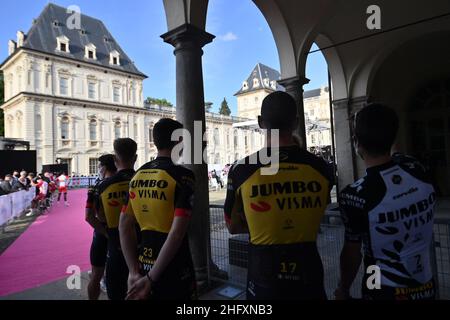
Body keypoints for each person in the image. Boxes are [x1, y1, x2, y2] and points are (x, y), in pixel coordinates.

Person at [224, 91, 333, 300]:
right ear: (296, 123)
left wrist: (262, 223)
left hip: (263, 277)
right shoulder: (321, 167)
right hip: (309, 273)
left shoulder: (242, 170)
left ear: (260, 123)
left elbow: (232, 226)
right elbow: (319, 210)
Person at [335, 103, 436, 300]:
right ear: (393, 138)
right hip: (425, 286)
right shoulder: (416, 169)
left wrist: (343, 288)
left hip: (381, 289)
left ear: (356, 142)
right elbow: (397, 156)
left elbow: (352, 254)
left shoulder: (355, 196)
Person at [119, 118, 197, 300]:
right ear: (179, 141)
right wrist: (151, 278)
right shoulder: (184, 175)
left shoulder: (137, 175)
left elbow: (124, 225)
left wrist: (132, 271)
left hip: (142, 262)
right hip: (174, 264)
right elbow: (177, 233)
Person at [95, 139, 137, 300]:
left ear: (114, 159)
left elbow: (99, 216)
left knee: (117, 294)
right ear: (135, 158)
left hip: (115, 247)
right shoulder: (141, 181)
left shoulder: (103, 186)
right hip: (142, 247)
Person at [85, 154, 117, 300]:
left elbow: (88, 217)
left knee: (96, 276)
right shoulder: (128, 182)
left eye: (99, 166)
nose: (98, 169)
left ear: (103, 168)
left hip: (102, 234)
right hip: (123, 234)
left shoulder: (96, 187)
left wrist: (104, 232)